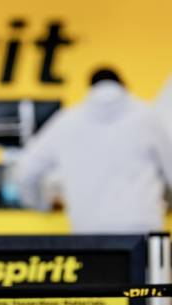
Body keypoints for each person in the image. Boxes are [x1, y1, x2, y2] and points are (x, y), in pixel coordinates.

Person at [14, 69, 172, 233]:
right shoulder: (147, 118)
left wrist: (41, 205)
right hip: (141, 227)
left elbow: (24, 171)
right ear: (124, 85)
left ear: (90, 88)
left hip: (89, 230)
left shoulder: (67, 121)